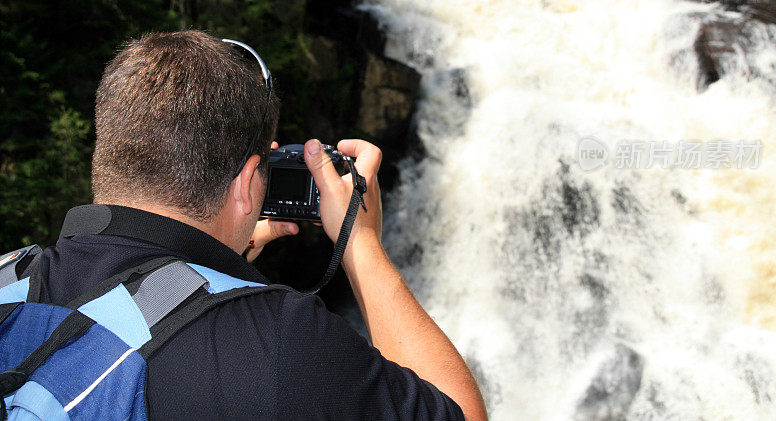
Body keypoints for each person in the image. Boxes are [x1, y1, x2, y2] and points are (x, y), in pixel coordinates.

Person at [34, 31, 487, 420]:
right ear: (248, 184)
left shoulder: (12, 275)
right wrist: (360, 241)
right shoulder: (285, 345)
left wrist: (211, 263)